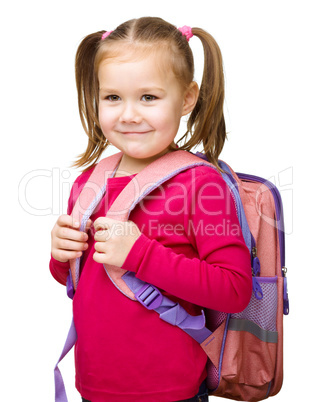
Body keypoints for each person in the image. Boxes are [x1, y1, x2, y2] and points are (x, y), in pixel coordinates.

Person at [50, 17, 252, 402]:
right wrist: (62, 256)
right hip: (94, 385)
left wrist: (140, 254)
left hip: (170, 391)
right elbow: (82, 281)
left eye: (148, 97)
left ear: (187, 98)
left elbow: (234, 289)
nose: (128, 114)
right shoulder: (89, 182)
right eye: (112, 97)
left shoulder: (201, 185)